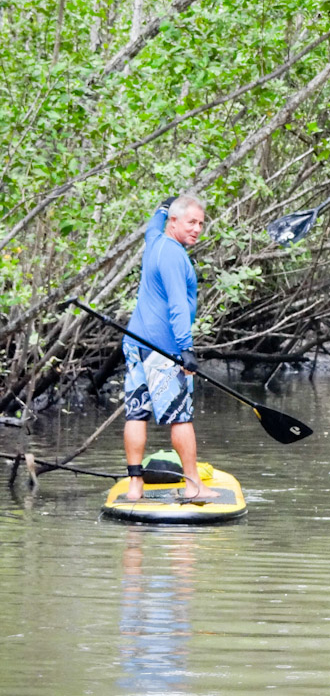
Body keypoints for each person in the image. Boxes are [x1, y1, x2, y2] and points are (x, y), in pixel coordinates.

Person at [122, 195, 218, 501]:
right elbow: (178, 305)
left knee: (136, 414)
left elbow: (152, 224)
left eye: (201, 224)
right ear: (174, 223)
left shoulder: (154, 241)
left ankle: (135, 486)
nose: (197, 229)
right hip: (163, 351)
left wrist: (162, 208)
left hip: (135, 344)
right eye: (191, 222)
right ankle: (193, 485)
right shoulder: (175, 256)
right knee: (181, 417)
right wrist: (185, 349)